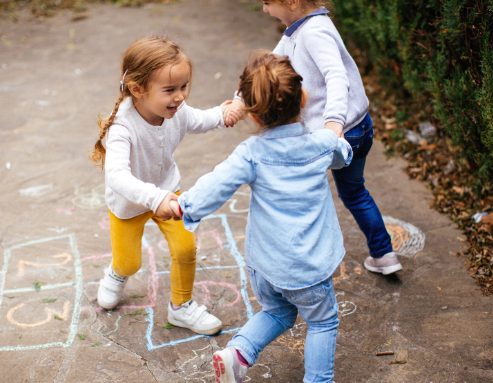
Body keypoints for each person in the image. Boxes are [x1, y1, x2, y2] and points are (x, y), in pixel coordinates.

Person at [171, 53, 352, 383]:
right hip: (309, 268)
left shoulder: (252, 153)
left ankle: (238, 355)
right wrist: (334, 137)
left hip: (265, 266)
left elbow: (216, 183)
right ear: (304, 97)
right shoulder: (322, 144)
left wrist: (186, 206)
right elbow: (343, 156)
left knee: (278, 311)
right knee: (323, 322)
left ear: (253, 116)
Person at [224, 0, 402, 275]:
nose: (264, 10)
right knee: (355, 193)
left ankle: (304, 263)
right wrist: (239, 100)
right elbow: (265, 69)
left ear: (292, 2)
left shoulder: (314, 32)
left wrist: (334, 123)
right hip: (356, 127)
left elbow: (336, 76)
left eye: (267, 3)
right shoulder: (298, 29)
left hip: (339, 133)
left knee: (304, 196)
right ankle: (384, 255)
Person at [90, 36, 238, 335]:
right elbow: (116, 176)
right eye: (170, 90)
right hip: (130, 204)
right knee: (129, 263)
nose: (180, 97)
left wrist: (224, 114)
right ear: (137, 89)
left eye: (184, 86)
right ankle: (117, 274)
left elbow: (201, 118)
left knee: (186, 249)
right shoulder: (123, 127)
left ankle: (181, 307)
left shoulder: (177, 111)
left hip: (169, 193)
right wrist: (154, 198)